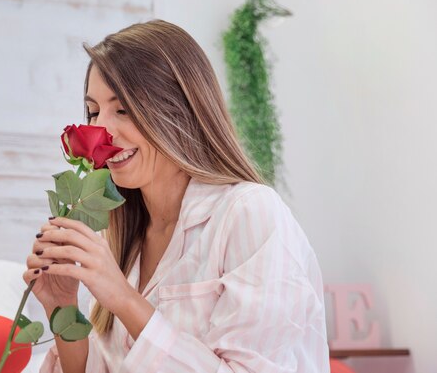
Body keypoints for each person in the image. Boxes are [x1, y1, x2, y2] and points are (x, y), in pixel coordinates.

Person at [24, 20, 329, 373]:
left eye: (122, 109)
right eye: (93, 111)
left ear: (179, 109)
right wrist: (63, 306)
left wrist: (123, 298)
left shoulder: (250, 213)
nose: (101, 129)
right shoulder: (121, 236)